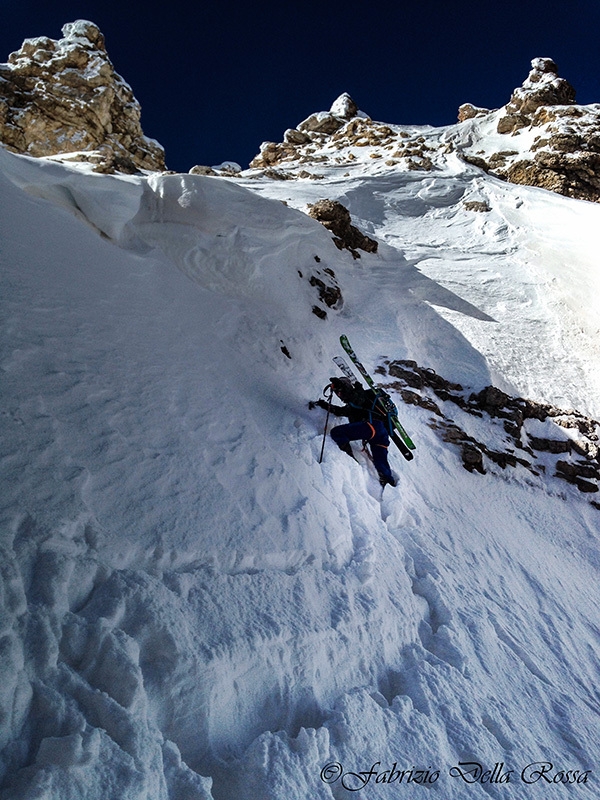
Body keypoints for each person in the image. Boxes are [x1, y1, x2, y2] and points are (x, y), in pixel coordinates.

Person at [310, 377, 397, 487]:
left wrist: (343, 386)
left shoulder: (361, 395)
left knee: (337, 432)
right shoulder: (354, 404)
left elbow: (355, 398)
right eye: (337, 393)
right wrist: (325, 405)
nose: (339, 395)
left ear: (347, 388)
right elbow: (340, 411)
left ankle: (349, 457)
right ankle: (388, 481)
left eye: (340, 392)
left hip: (373, 427)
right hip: (381, 433)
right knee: (380, 461)